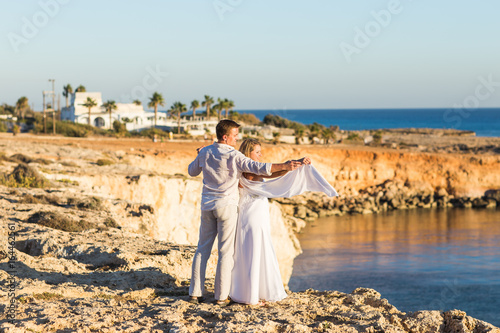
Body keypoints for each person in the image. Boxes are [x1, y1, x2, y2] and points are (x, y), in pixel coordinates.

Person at [187, 119, 305, 306]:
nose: (237, 139)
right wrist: (285, 165)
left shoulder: (206, 151)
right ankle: (220, 297)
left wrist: (200, 155)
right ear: (225, 137)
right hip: (226, 207)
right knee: (225, 252)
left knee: (202, 249)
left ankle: (195, 293)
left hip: (207, 206)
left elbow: (191, 171)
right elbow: (259, 168)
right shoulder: (234, 155)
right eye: (234, 135)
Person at [230, 138, 338, 305]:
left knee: (251, 250)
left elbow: (271, 173)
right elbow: (271, 172)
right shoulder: (249, 169)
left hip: (252, 213)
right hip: (253, 215)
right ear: (248, 152)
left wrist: (294, 165)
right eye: (257, 152)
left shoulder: (243, 168)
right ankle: (251, 296)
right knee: (255, 250)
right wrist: (291, 165)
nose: (260, 155)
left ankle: (250, 292)